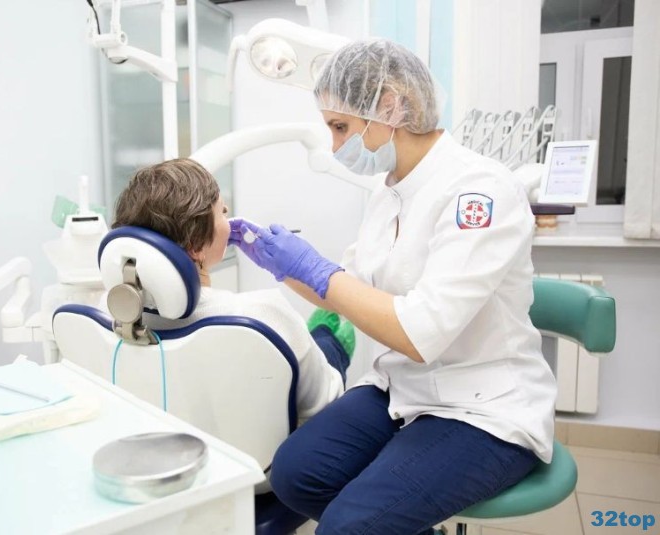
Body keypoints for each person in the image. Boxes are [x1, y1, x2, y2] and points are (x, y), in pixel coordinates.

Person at [229, 40, 557, 535]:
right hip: (401, 387)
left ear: (389, 107)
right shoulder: (388, 191)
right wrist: (282, 264)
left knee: (347, 526)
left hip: (484, 405)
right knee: (294, 476)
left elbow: (420, 334)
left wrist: (316, 271)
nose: (334, 146)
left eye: (340, 127)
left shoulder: (480, 191)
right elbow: (350, 289)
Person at [112, 158, 354, 423]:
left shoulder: (118, 316)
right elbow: (326, 401)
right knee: (326, 341)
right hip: (272, 443)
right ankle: (330, 337)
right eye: (222, 211)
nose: (229, 216)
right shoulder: (265, 314)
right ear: (196, 244)